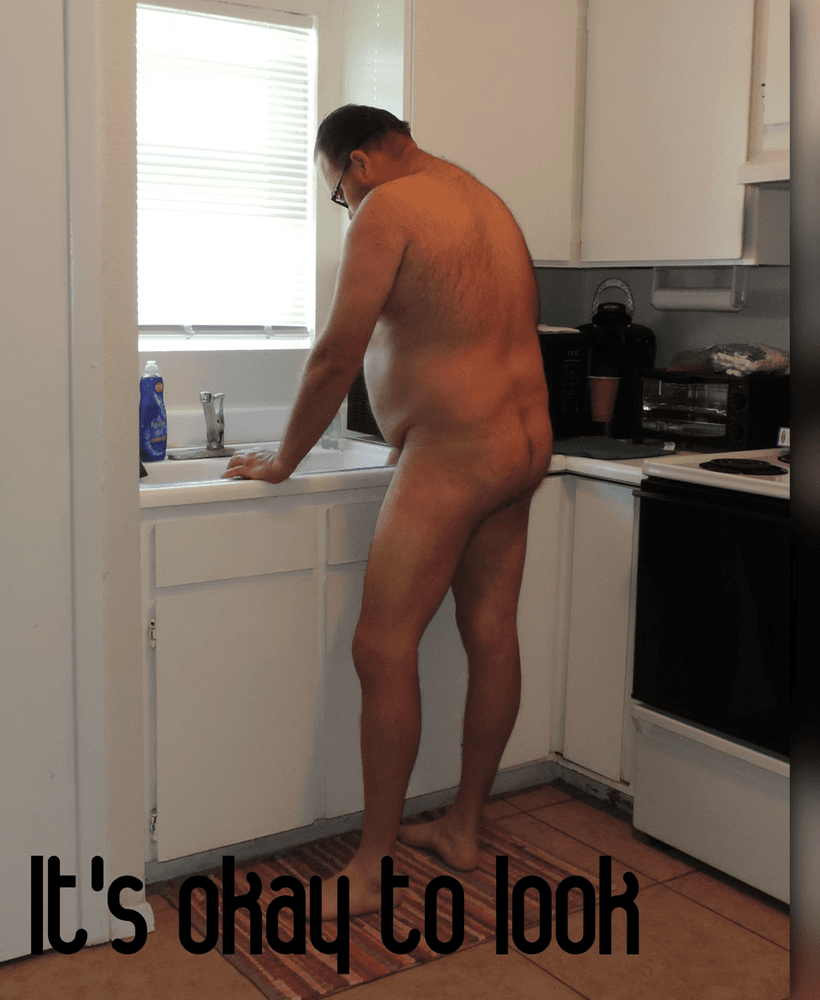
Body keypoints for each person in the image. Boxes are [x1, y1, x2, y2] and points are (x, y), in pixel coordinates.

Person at [224, 105, 553, 918]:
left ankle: (371, 869)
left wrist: (283, 460)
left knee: (380, 647)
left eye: (339, 193)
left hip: (457, 450)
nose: (347, 206)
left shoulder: (388, 207)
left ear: (359, 164)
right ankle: (462, 830)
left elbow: (337, 353)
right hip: (523, 446)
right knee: (492, 633)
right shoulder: (482, 201)